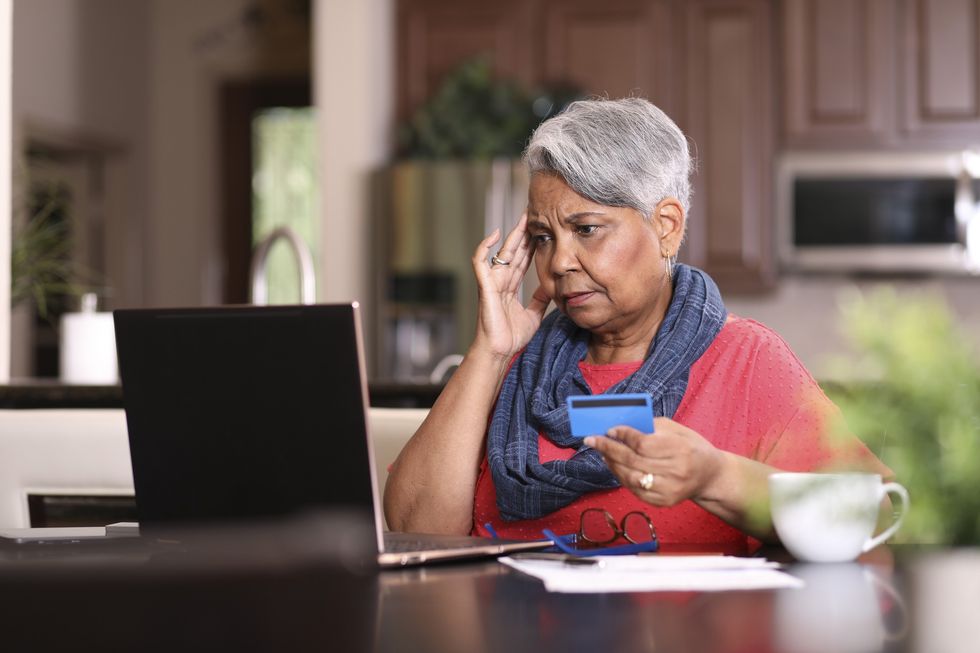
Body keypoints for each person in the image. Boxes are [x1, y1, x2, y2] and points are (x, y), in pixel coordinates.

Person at [383, 97, 888, 553]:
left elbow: (876, 514)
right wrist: (490, 352)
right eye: (543, 237)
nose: (559, 262)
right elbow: (414, 528)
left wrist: (716, 476)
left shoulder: (746, 359)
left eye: (586, 229)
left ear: (666, 226)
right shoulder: (513, 361)